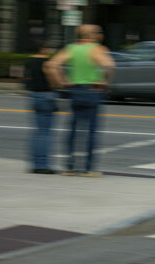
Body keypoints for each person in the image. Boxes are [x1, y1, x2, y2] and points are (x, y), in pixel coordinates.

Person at [45, 24, 115, 177]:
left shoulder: (71, 48)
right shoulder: (97, 49)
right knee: (91, 131)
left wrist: (62, 83)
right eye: (99, 33)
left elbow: (52, 65)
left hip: (75, 91)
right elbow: (109, 65)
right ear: (94, 35)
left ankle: (69, 167)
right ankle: (89, 169)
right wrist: (105, 82)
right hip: (92, 90)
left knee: (73, 130)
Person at [22, 42, 58, 174]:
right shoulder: (47, 62)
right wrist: (58, 85)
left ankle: (36, 163)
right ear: (43, 48)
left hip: (34, 96)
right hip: (46, 96)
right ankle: (43, 165)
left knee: (37, 132)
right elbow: (53, 78)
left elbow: (26, 79)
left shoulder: (29, 61)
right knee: (45, 133)